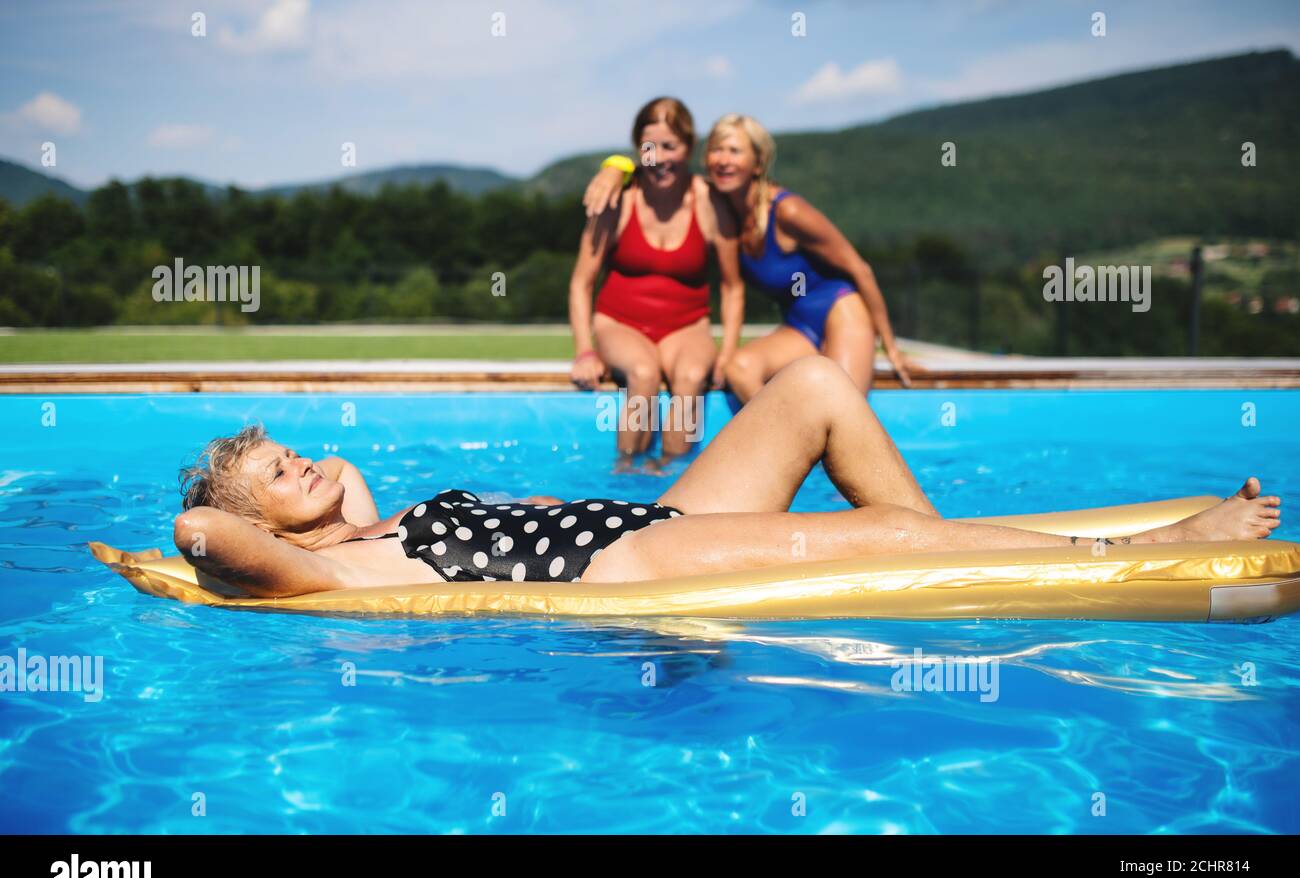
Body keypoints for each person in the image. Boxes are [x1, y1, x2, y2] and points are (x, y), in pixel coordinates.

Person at [172, 356, 1281, 597]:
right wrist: (212, 517)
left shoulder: (369, 519)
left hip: (644, 512)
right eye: (282, 469)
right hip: (623, 560)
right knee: (884, 542)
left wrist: (283, 478)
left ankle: (967, 564)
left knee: (809, 387)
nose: (311, 462)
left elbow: (346, 478)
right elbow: (216, 545)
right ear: (262, 517)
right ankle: (1118, 560)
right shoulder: (318, 573)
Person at [584, 113, 917, 403]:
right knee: (739, 370)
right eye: (716, 149)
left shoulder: (787, 210)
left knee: (841, 407)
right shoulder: (718, 206)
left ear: (757, 164)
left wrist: (890, 347)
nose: (724, 159)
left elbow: (861, 269)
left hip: (842, 312)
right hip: (799, 325)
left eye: (735, 151)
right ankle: (791, 443)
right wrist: (616, 167)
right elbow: (660, 170)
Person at [568, 97, 744, 470]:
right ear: (636, 149)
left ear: (688, 148)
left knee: (692, 377)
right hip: (620, 321)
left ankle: (671, 476)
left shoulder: (710, 202)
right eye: (648, 147)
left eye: (670, 146)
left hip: (687, 324)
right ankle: (624, 474)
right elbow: (582, 283)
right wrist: (585, 351)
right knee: (643, 375)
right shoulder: (617, 200)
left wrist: (727, 352)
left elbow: (732, 286)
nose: (658, 157)